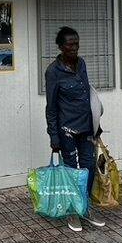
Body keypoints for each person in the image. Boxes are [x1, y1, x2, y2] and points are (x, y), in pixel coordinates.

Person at [45, 26, 105, 232]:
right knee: (72, 172)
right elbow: (51, 107)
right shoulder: (53, 71)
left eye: (76, 44)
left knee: (88, 169)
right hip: (67, 130)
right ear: (61, 47)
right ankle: (73, 211)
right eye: (70, 44)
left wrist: (97, 125)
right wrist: (54, 136)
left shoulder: (82, 64)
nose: (74, 48)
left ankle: (85, 207)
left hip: (87, 128)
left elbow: (89, 97)